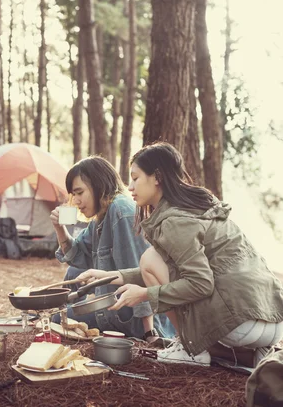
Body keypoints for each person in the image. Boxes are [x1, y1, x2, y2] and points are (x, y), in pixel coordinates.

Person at [77, 142, 283, 366]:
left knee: (149, 258)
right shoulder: (197, 206)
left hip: (241, 323)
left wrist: (145, 294)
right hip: (272, 321)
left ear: (157, 177)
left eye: (135, 178)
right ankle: (254, 353)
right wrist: (109, 276)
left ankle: (190, 349)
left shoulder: (175, 221)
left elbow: (200, 283)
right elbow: (170, 269)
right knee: (153, 261)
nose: (130, 186)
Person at [50, 156, 174, 342]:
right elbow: (76, 256)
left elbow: (140, 273)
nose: (75, 201)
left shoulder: (121, 212)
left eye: (79, 192)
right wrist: (60, 228)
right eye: (73, 195)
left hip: (133, 319)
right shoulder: (100, 217)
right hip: (114, 310)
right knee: (72, 274)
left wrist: (149, 334)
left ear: (98, 185)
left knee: (58, 319)